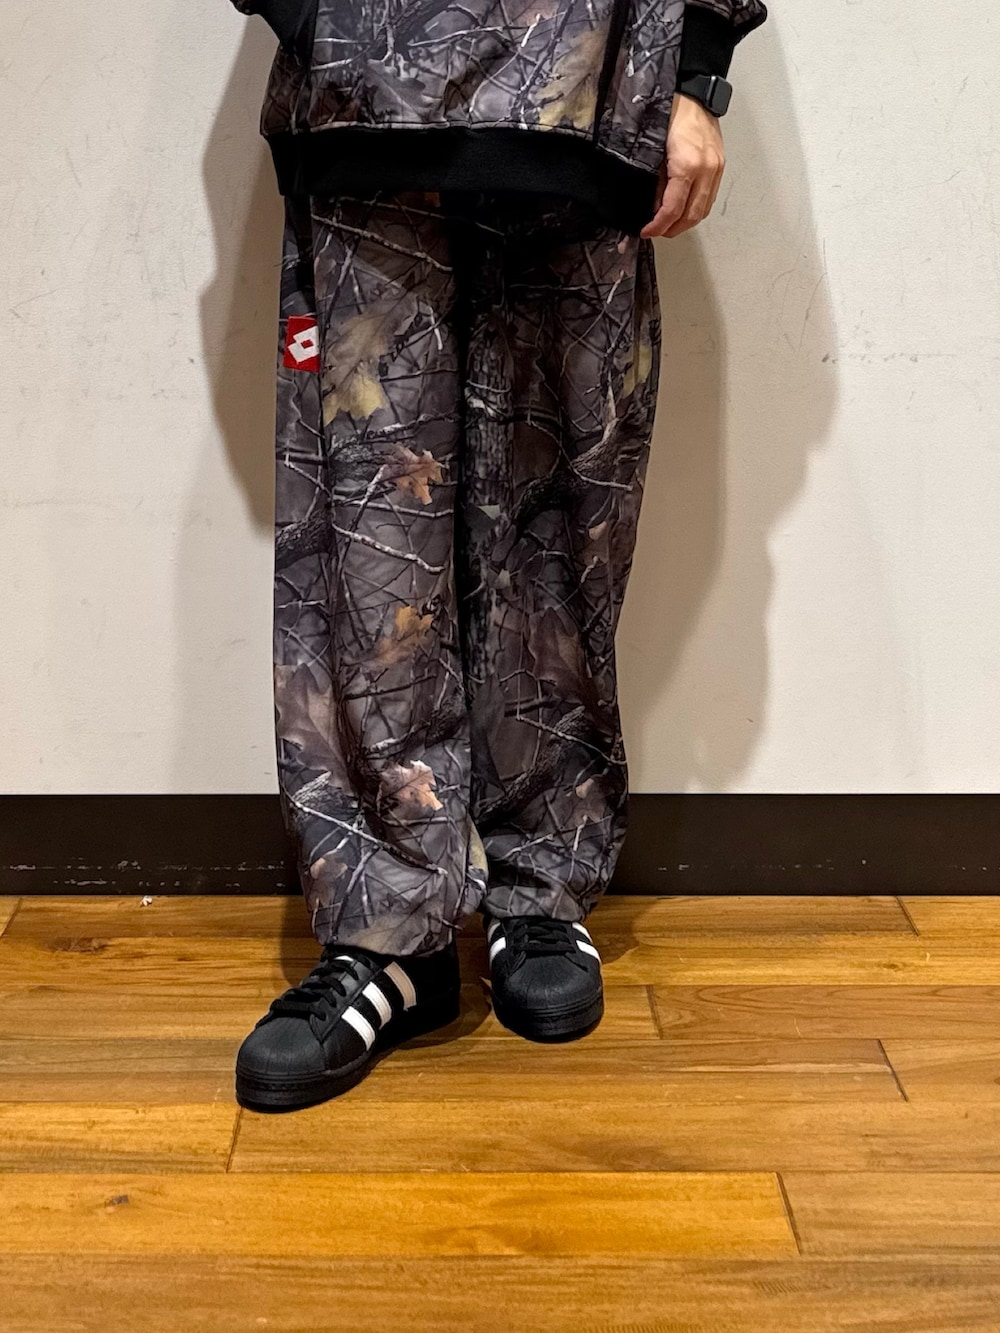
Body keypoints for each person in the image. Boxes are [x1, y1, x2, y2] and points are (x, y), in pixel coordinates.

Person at [226, 0, 769, 1111]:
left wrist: (691, 72)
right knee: (367, 552)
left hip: (593, 105)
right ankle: (391, 934)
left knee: (562, 531)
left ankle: (539, 888)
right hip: (365, 97)